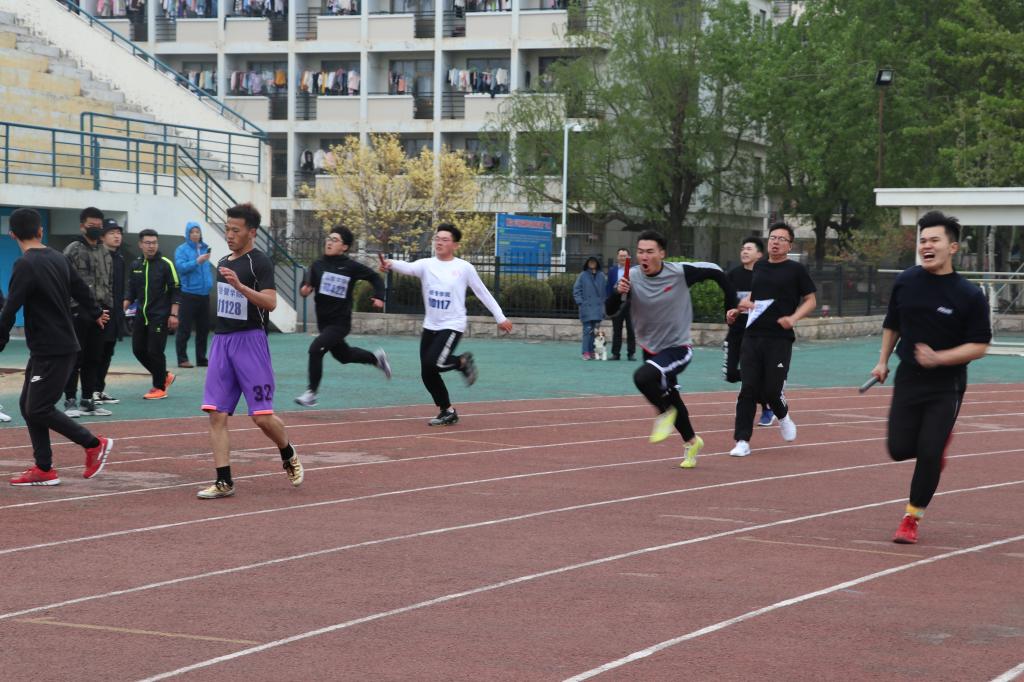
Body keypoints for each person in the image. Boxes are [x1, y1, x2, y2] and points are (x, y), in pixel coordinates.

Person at [870, 211, 990, 544]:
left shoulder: (969, 294)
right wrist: (882, 361)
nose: (926, 245)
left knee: (928, 452)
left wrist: (940, 358)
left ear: (952, 247)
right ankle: (935, 449)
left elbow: (980, 345)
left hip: (946, 384)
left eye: (934, 240)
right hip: (909, 377)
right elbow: (892, 324)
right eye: (923, 240)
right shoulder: (906, 281)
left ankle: (911, 518)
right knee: (898, 449)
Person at [0, 207, 113, 486]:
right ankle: (44, 468)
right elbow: (81, 289)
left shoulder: (24, 265)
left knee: (38, 407)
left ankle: (93, 444)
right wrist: (95, 312)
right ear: (41, 231)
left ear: (12, 234)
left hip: (53, 347)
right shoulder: (59, 258)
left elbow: (10, 309)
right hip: (51, 346)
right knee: (28, 405)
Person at [608, 230, 736, 469]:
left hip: (678, 347)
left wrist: (731, 306)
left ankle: (663, 414)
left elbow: (716, 271)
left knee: (643, 377)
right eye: (640, 252)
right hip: (651, 349)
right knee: (671, 396)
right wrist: (618, 293)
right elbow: (609, 310)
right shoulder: (631, 276)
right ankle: (692, 442)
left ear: (662, 254)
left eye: (650, 252)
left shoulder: (679, 273)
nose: (644, 256)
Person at [198, 202, 300, 499]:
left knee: (262, 417)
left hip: (250, 342)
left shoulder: (260, 262)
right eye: (227, 229)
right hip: (222, 342)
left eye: (235, 230)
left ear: (251, 232)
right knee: (216, 413)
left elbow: (270, 303)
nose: (229, 235)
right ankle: (224, 481)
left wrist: (241, 287)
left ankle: (287, 450)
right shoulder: (222, 261)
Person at [380, 223, 513, 426]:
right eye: (437, 239)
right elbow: (407, 267)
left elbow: (482, 292)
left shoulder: (464, 268)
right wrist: (389, 263)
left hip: (452, 324)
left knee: (434, 363)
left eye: (445, 239)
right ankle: (447, 411)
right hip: (431, 325)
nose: (439, 242)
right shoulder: (426, 265)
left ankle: (462, 362)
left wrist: (500, 317)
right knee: (427, 371)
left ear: (455, 245)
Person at [726, 221, 816, 457]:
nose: (775, 242)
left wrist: (793, 318)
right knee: (748, 388)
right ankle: (742, 440)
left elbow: (811, 300)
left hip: (779, 338)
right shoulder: (760, 266)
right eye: (772, 238)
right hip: (753, 334)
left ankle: (783, 416)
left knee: (771, 390)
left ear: (789, 245)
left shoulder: (796, 270)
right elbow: (755, 297)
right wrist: (739, 309)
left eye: (781, 239)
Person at [295, 225, 391, 407]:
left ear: (344, 247)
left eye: (335, 240)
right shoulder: (317, 265)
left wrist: (379, 296)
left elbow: (375, 277)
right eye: (328, 239)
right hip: (324, 323)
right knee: (344, 356)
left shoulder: (350, 266)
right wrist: (305, 290)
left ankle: (311, 393)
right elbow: (305, 288)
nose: (329, 242)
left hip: (340, 323)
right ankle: (376, 359)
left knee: (315, 349)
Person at [63, 206, 113, 418]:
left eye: (99, 226)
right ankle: (70, 400)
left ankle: (87, 400)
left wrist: (107, 308)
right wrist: (75, 308)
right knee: (75, 357)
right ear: (82, 226)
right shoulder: (72, 250)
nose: (96, 229)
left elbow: (108, 282)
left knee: (94, 357)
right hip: (78, 310)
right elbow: (65, 282)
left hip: (101, 312)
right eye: (91, 225)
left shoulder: (104, 251)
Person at [723, 236, 774, 426]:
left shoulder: (764, 276)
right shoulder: (733, 275)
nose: (744, 251)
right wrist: (729, 315)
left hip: (755, 334)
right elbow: (728, 301)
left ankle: (767, 407)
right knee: (730, 374)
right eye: (743, 248)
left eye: (749, 249)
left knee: (749, 375)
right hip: (735, 332)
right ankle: (763, 386)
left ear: (759, 254)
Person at [125, 229, 181, 400]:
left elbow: (176, 290)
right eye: (148, 243)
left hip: (160, 315)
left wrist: (174, 315)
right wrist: (122, 308)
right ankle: (164, 375)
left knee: (155, 351)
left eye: (154, 243)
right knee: (138, 350)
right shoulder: (136, 265)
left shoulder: (166, 264)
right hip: (141, 315)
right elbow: (131, 291)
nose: (151, 246)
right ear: (140, 244)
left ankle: (159, 387)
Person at [95, 218, 127, 406]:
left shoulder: (120, 259)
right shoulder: (98, 257)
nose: (117, 236)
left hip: (115, 314)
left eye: (118, 233)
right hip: (100, 313)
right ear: (102, 237)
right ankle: (90, 391)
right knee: (96, 353)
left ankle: (99, 389)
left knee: (107, 352)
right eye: (112, 233)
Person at [173, 220, 213, 368]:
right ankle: (182, 359)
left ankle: (201, 358)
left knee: (203, 329)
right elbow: (181, 267)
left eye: (197, 231)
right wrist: (197, 261)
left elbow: (206, 269)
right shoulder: (181, 250)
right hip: (189, 294)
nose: (195, 234)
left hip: (204, 294)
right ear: (187, 234)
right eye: (192, 232)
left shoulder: (205, 248)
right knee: (184, 329)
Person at [605, 248, 636, 361]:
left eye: (625, 256)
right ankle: (615, 354)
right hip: (617, 303)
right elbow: (609, 287)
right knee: (616, 329)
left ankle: (631, 353)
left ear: (628, 257)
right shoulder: (612, 270)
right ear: (617, 257)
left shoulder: (634, 270)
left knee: (631, 329)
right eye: (621, 256)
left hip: (631, 303)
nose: (623, 258)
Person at [573, 256, 607, 360]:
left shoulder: (601, 276)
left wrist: (604, 305)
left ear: (597, 263)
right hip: (586, 307)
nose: (592, 263)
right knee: (587, 331)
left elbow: (605, 291)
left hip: (598, 307)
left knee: (595, 332)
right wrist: (580, 302)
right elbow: (576, 289)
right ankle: (585, 352)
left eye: (594, 262)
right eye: (590, 262)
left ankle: (592, 351)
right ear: (587, 263)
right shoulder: (582, 275)